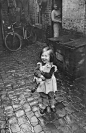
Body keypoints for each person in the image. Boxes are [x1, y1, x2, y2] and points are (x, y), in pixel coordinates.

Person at [31, 46, 58, 113]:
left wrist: (42, 72)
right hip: (42, 84)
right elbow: (35, 71)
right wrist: (39, 75)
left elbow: (49, 75)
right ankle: (44, 106)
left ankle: (52, 105)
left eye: (46, 56)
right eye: (42, 55)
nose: (43, 57)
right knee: (43, 96)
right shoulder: (39, 64)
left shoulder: (52, 66)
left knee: (51, 95)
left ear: (50, 57)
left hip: (50, 83)